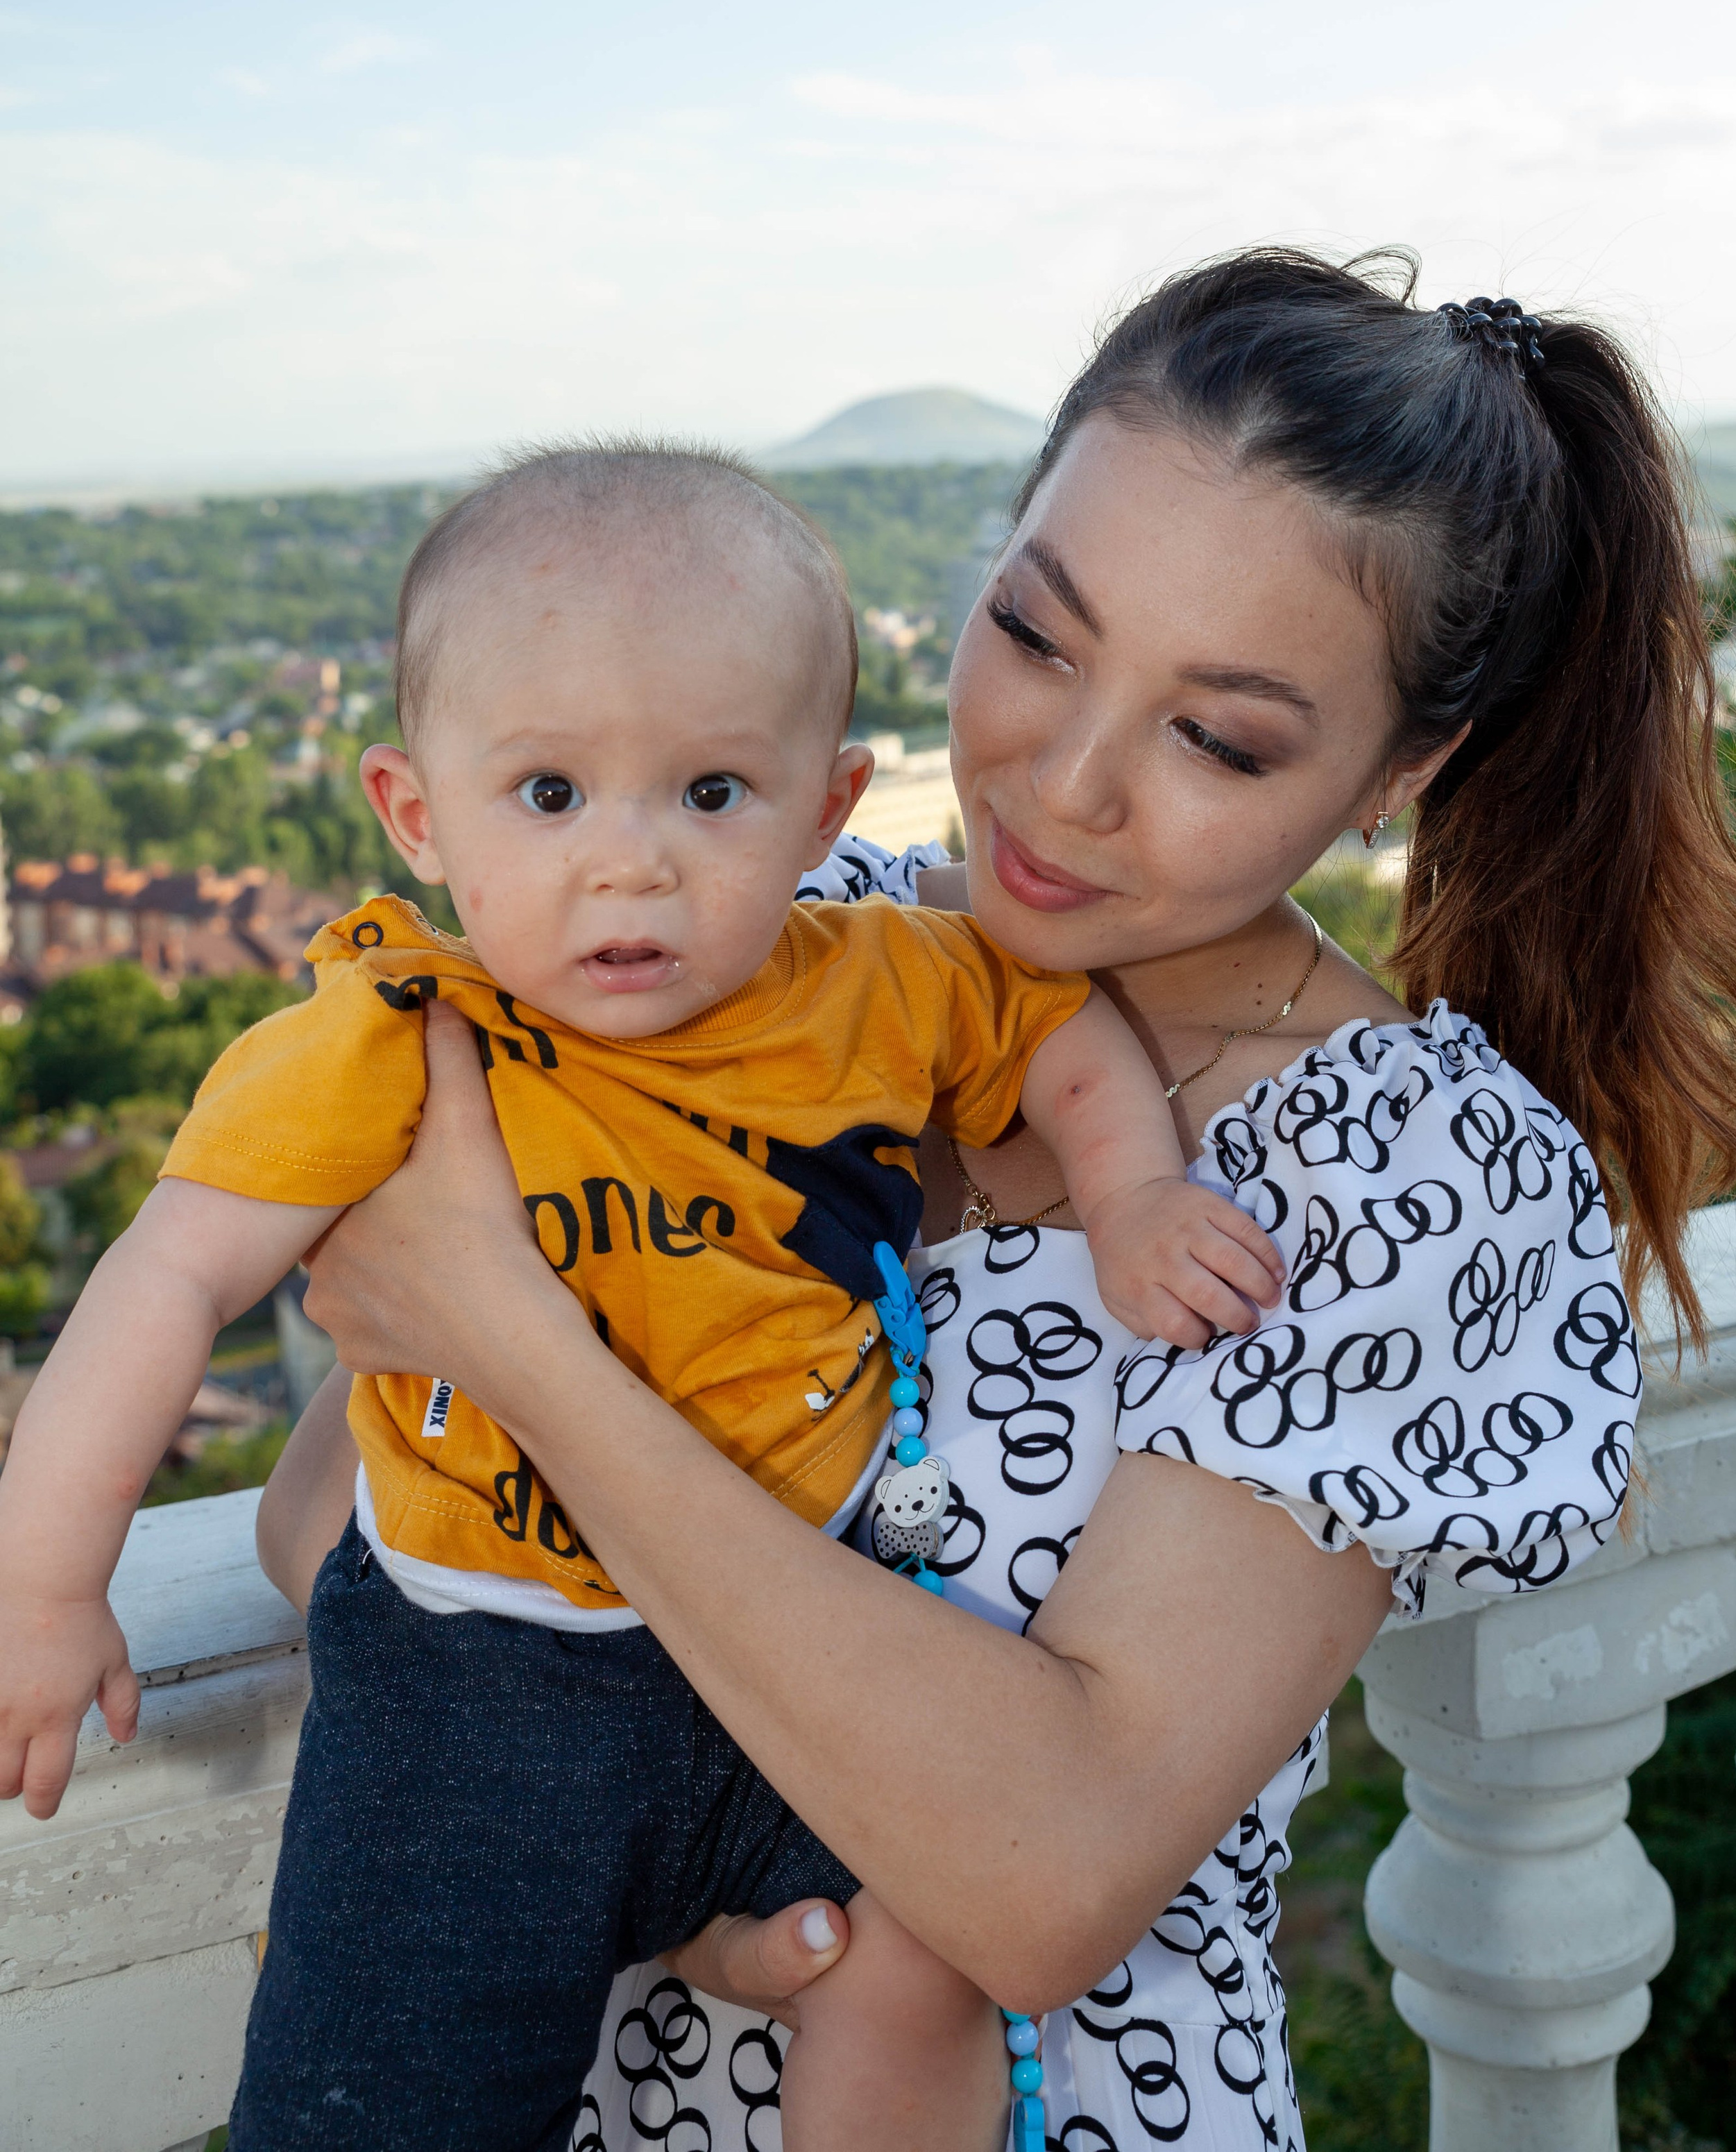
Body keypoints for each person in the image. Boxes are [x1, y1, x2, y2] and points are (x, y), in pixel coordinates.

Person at [262, 249, 1736, 2151]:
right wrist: (688, 1896)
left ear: (1404, 768)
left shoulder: (1404, 1176)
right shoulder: (784, 959)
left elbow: (1045, 1879)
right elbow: (339, 1518)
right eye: (1039, 636)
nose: (1061, 788)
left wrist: (529, 1354)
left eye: (1219, 739)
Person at [0, 442, 1281, 2152]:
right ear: (415, 812)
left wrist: (1130, 1196)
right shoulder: (393, 1037)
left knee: (912, 1963)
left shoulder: (878, 979)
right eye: (548, 796)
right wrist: (41, 1586)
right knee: (378, 2101)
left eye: (708, 795)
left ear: (826, 810)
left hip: (794, 1677)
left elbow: (1051, 1043)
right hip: (472, 1699)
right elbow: (166, 1280)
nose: (634, 866)